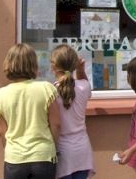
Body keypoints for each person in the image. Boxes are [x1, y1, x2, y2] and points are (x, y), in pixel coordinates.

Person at [0, 43, 60, 179]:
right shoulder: (45, 88)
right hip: (43, 156)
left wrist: (11, 149)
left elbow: (0, 132)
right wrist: (53, 146)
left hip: (15, 158)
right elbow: (56, 124)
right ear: (33, 64)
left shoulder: (0, 95)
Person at [50, 44, 95, 179]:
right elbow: (85, 87)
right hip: (82, 148)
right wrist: (81, 70)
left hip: (62, 149)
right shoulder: (84, 86)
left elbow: (55, 124)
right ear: (75, 65)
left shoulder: (51, 91)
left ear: (53, 66)